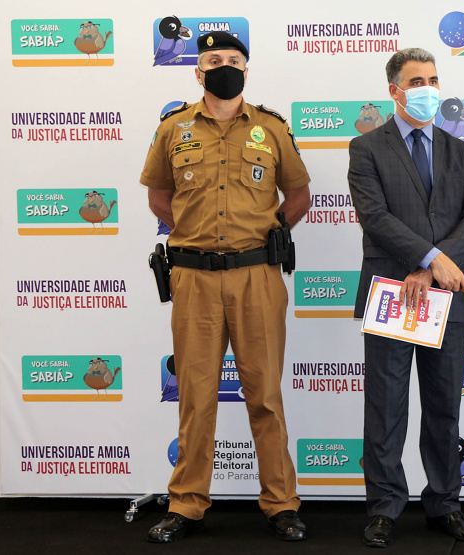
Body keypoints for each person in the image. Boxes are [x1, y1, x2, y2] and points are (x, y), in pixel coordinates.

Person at [139, 31, 311, 543]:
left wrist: (265, 235)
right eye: (213, 60)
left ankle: (281, 504)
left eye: (233, 60)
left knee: (265, 395)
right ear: (198, 71)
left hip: (257, 277)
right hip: (193, 279)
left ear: (246, 68)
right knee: (195, 396)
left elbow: (298, 194)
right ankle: (186, 504)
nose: (223, 67)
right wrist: (193, 238)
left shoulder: (272, 128)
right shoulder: (173, 129)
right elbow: (158, 199)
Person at [347, 47, 464, 548]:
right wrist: (430, 259)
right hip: (393, 293)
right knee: (386, 407)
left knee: (445, 405)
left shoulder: (458, 149)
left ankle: (445, 503)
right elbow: (375, 216)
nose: (428, 88)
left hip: (444, 296)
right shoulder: (365, 149)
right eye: (416, 81)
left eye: (433, 79)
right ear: (394, 91)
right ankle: (384, 507)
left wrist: (437, 266)